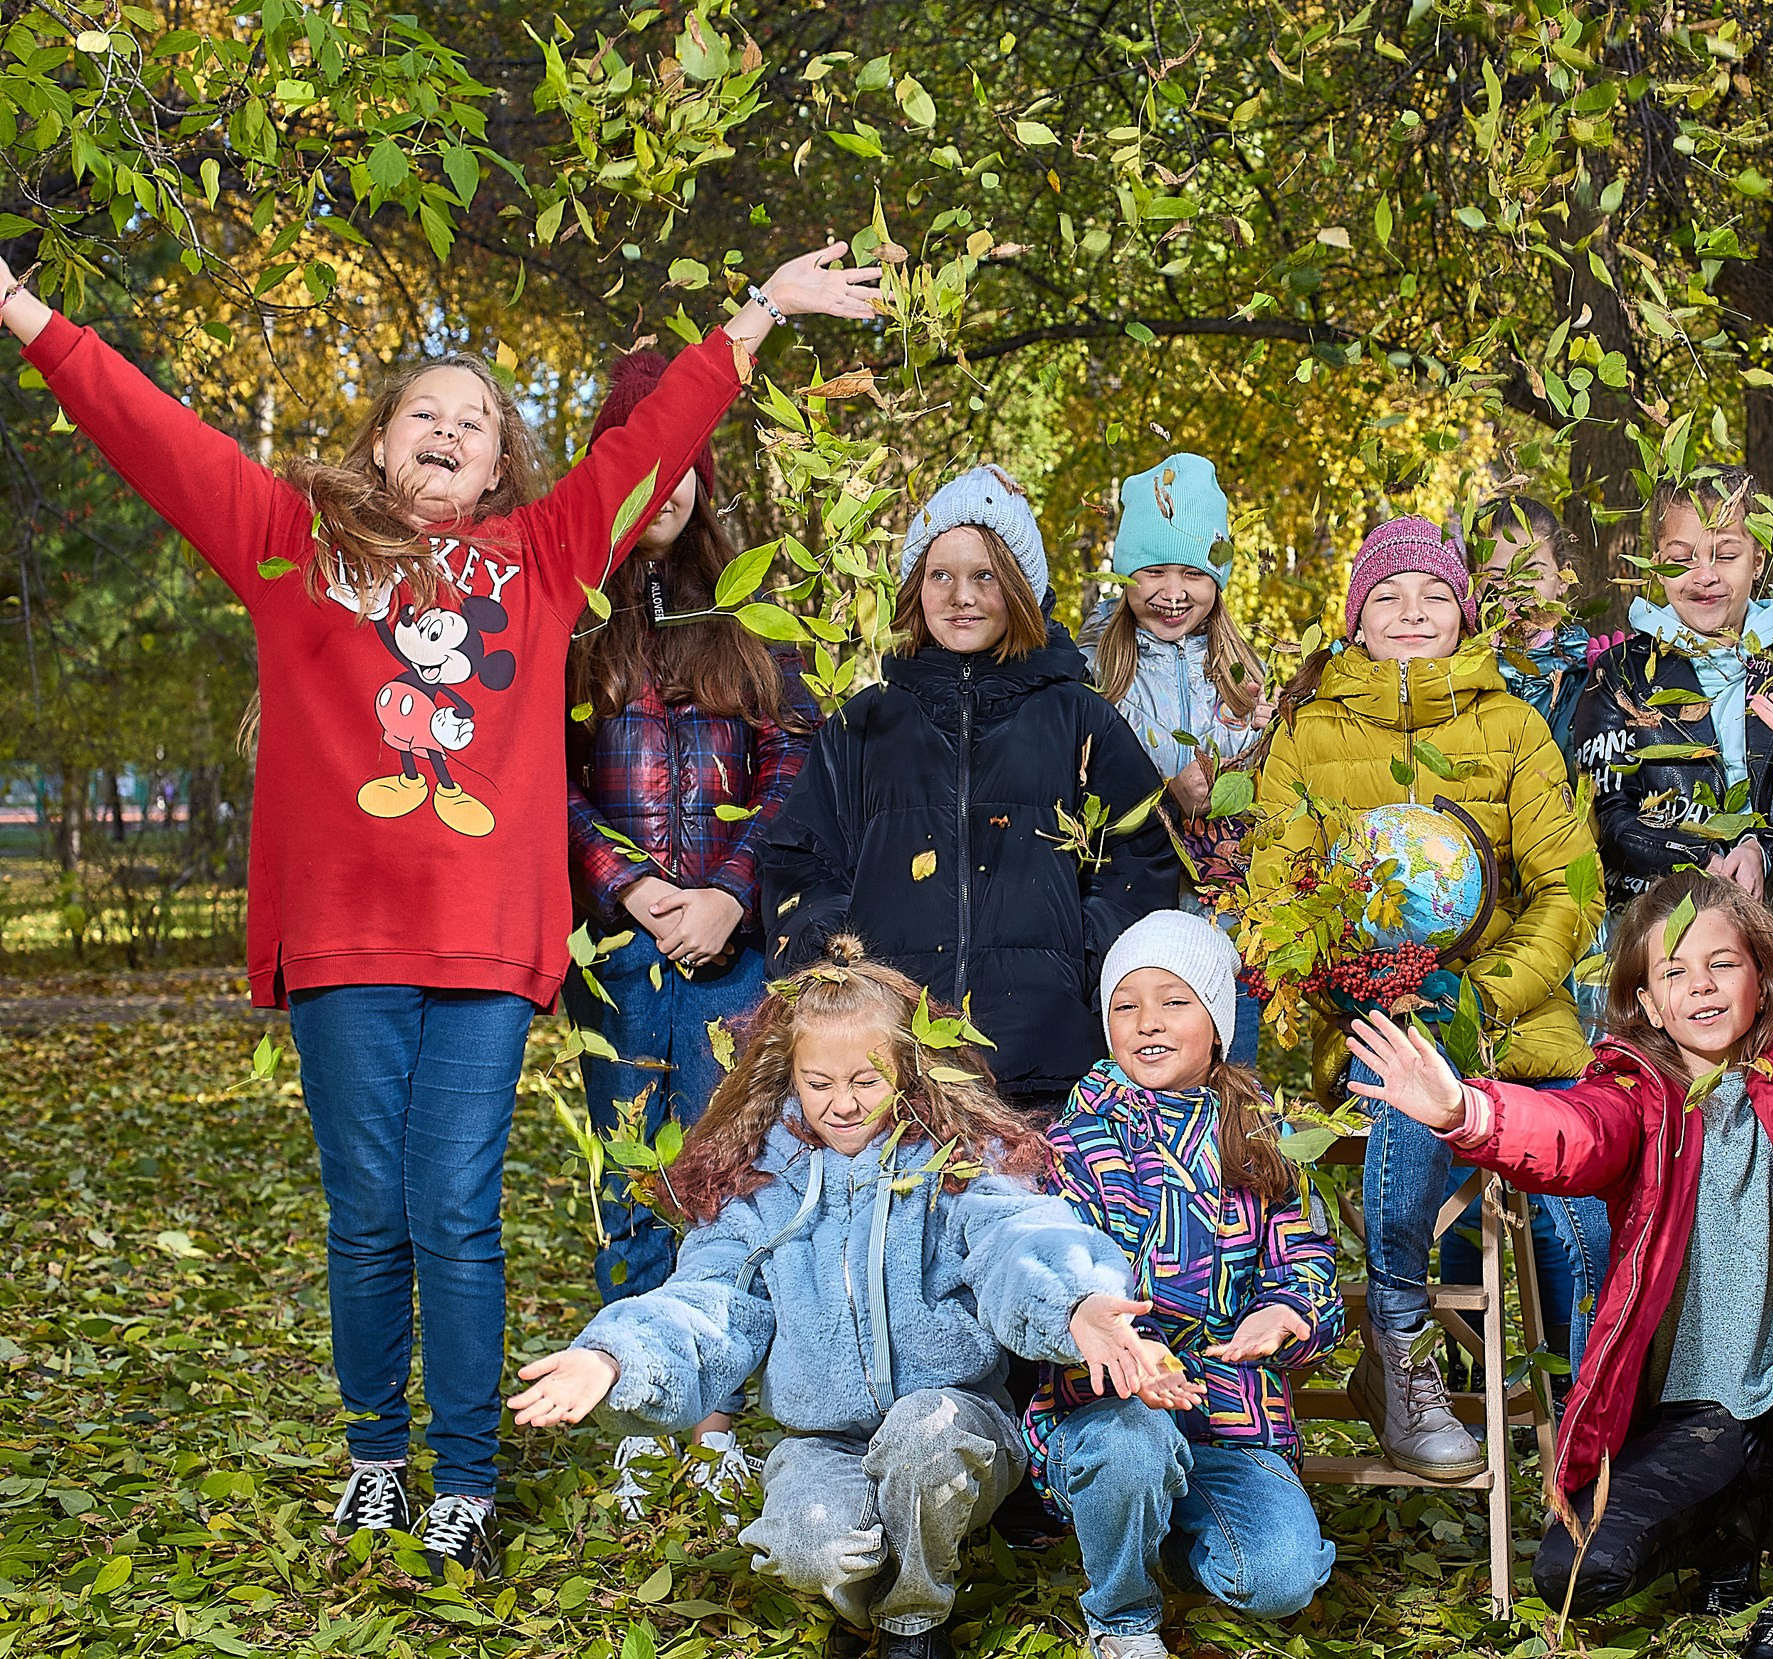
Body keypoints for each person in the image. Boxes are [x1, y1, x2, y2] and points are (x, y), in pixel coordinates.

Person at [0, 243, 881, 1572]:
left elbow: (650, 449)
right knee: (369, 1210)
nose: (450, 433)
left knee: (455, 1209)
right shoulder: (292, 544)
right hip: (346, 943)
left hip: (479, 949)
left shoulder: (540, 558)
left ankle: (463, 1473)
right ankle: (375, 1457)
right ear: (382, 439)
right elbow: (154, 432)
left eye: (475, 424)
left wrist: (755, 316)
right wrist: (21, 309)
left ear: (498, 467)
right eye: (427, 412)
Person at [1342, 694, 1773, 1659]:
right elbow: (1566, 1135)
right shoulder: (1637, 1092)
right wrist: (1466, 1111)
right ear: (1643, 998)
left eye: (1723, 963)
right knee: (1576, 1574)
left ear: (1763, 976)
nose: (1703, 987)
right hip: (1700, 1406)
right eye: (1675, 973)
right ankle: (1733, 1514)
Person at [506, 936, 1183, 1659]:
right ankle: (875, 1584)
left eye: (866, 1079)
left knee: (925, 1436)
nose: (844, 1102)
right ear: (787, 1076)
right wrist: (617, 1354)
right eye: (820, 1082)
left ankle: (915, 1617)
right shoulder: (763, 1185)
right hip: (825, 1437)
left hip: (956, 1420)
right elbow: (707, 1299)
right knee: (804, 1543)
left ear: (907, 1068)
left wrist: (1074, 1302)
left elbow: (1018, 1237)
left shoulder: (950, 1156)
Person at [1251, 514, 1607, 1483]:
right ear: (1355, 620)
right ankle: (1398, 1347)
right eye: (1388, 598)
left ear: (1464, 615)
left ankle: (1592, 1419)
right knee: (1411, 1045)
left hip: (1511, 1018)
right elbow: (1277, 898)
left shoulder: (1513, 726)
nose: (1411, 614)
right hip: (1371, 1016)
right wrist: (1344, 979)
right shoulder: (1309, 732)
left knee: (1582, 1210)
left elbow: (1572, 887)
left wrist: (1485, 998)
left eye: (1434, 597)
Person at [561, 347, 821, 1515]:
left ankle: (711, 1407)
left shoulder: (752, 620)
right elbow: (542, 783)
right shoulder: (567, 623)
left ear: (703, 481)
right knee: (634, 1175)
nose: (664, 488)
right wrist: (629, 887)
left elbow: (795, 768)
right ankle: (638, 1401)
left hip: (735, 950)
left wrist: (725, 893)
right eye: (642, 462)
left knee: (726, 1172)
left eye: (684, 467)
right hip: (619, 958)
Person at [760, 465, 1182, 1114]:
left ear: (1019, 587)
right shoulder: (864, 724)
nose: (963, 595)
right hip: (893, 1064)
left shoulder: (1078, 717)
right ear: (915, 589)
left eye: (985, 575)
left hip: (1046, 1068)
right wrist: (837, 965)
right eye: (941, 575)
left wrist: (1083, 955)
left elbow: (1143, 852)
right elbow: (800, 862)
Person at [1030, 911, 1344, 1659]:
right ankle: (1122, 1613)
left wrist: (1288, 1308)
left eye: (1174, 1001)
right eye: (1126, 1005)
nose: (1148, 1023)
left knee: (1280, 1578)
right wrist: (1128, 1349)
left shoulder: (1263, 1136)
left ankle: (1159, 1529)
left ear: (1218, 1020)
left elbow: (1309, 1260)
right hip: (1110, 1415)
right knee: (1132, 1452)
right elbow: (1061, 1273)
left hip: (1233, 1422)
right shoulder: (1076, 1143)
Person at [1575, 468, 1773, 916]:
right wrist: (1698, 858)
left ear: (1758, 560)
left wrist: (1764, 852)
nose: (1703, 576)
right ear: (1656, 565)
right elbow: (1609, 811)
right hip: (1661, 908)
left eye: (1725, 555)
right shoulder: (1619, 674)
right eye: (1681, 559)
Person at [1082, 453, 1271, 1060]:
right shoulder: (1099, 671)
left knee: (1229, 1072)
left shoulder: (1241, 671)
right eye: (1153, 571)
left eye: (1191, 573)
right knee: (1144, 1073)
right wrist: (1167, 789)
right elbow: (1084, 781)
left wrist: (1260, 749)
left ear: (1217, 579)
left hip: (1226, 914)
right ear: (1125, 575)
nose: (1172, 593)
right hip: (1133, 909)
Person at [1478, 494, 1610, 768]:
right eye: (1498, 578)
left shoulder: (1589, 674)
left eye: (1532, 573)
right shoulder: (1457, 675)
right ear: (1473, 586)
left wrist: (1615, 687)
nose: (1517, 592)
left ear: (1563, 578)